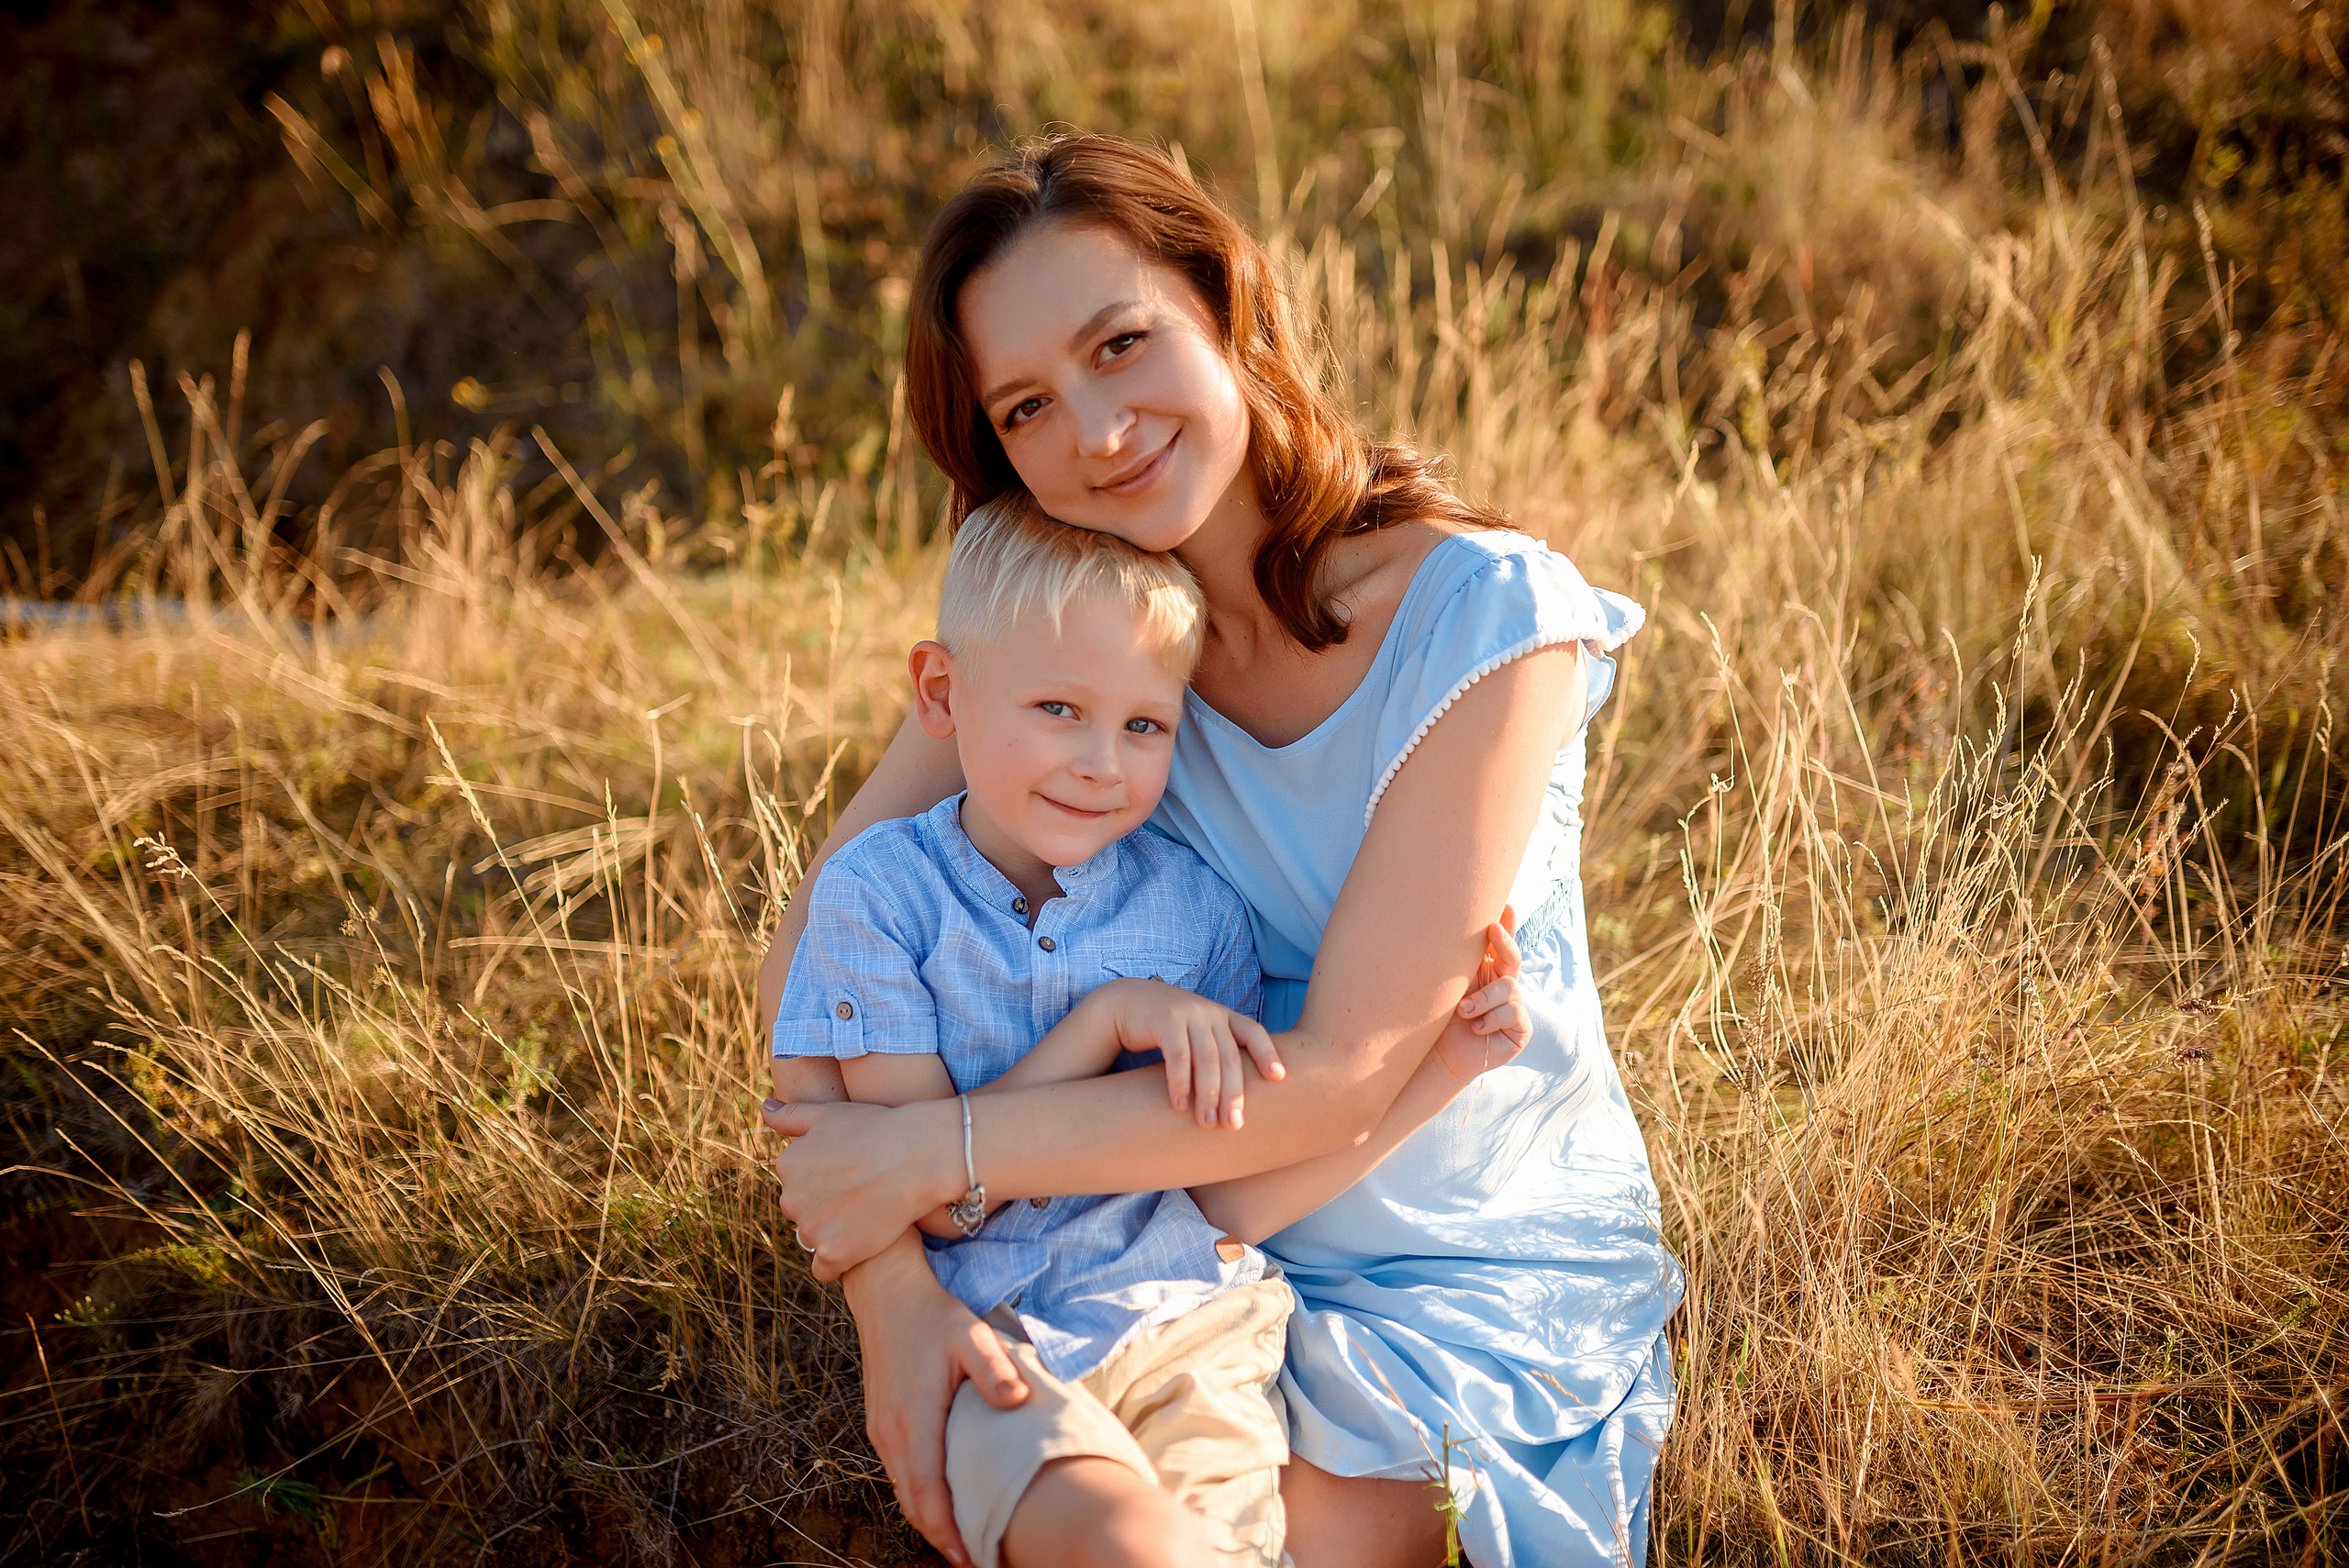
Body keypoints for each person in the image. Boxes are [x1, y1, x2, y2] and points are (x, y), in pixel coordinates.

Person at [760, 135, 1683, 1568]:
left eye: (1120, 344)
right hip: (1142, 1253)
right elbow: (811, 965)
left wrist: (933, 1157)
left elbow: (1344, 1072)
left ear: (1227, 303)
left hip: (1456, 1265)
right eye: (1027, 407)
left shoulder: (1490, 619)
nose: (1096, 433)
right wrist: (895, 1297)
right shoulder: (1080, 657)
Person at [773, 494, 1531, 1568]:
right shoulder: (880, 898)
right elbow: (928, 1194)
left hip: (1194, 1331)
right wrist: (1103, 1022)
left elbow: (1222, 1196)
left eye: (1144, 725)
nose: (1102, 762)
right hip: (994, 1340)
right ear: (941, 690)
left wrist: (1440, 1067)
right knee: (1127, 1542)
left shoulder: (1193, 912)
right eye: (1057, 707)